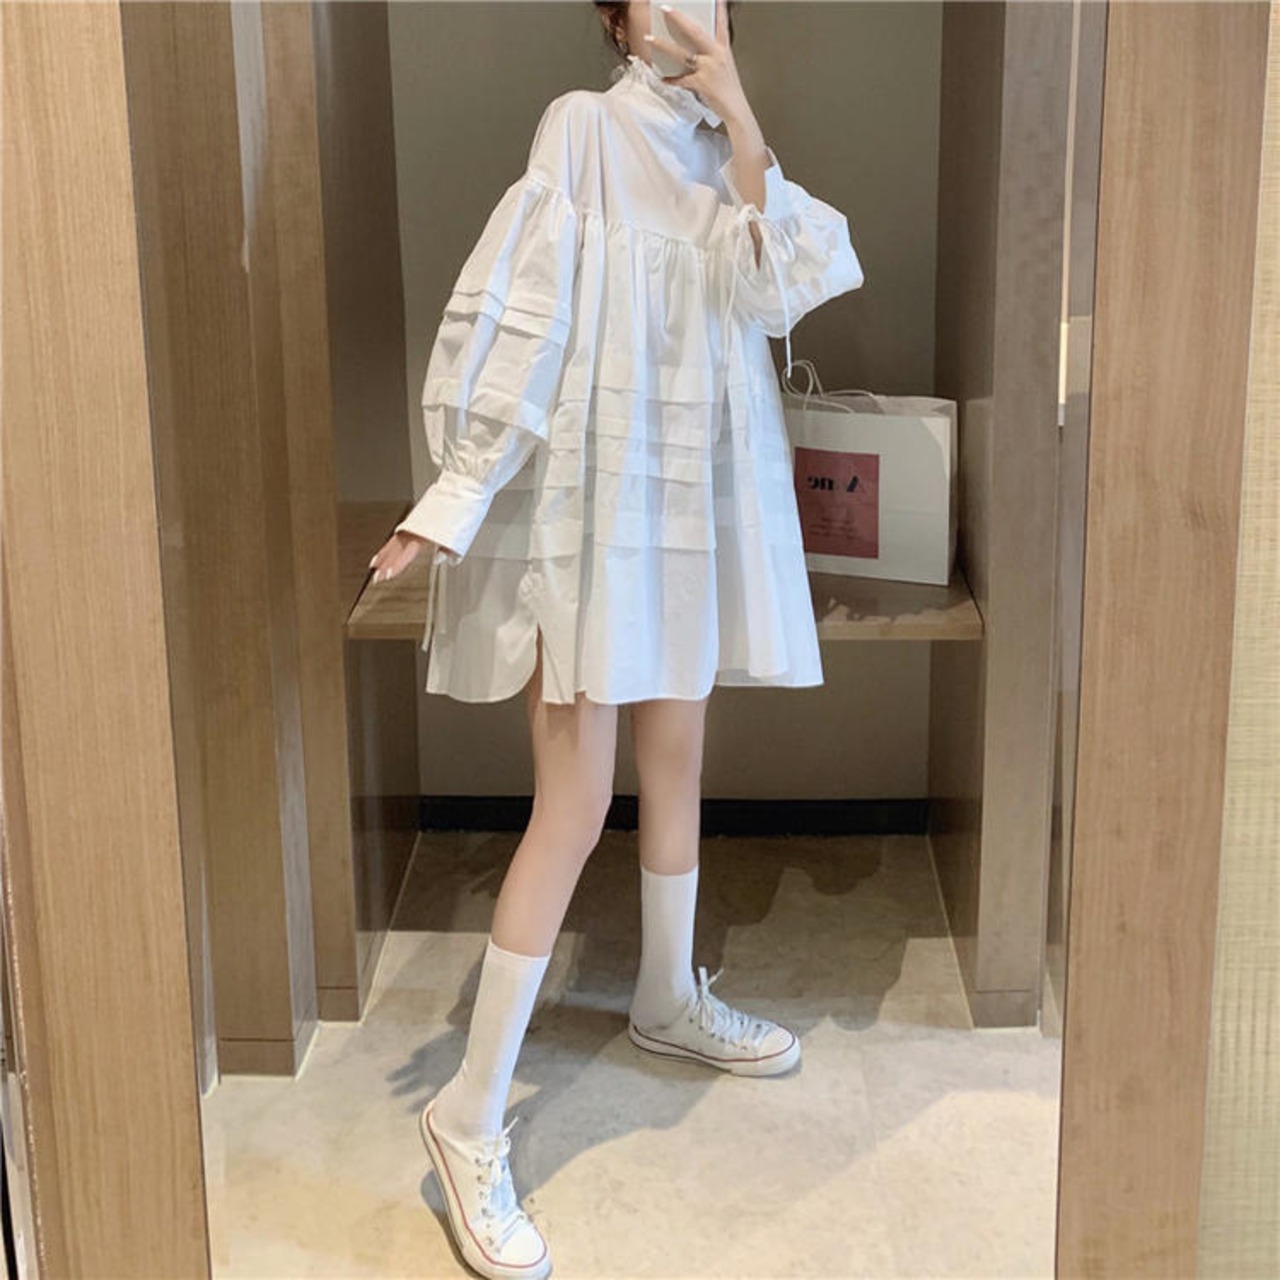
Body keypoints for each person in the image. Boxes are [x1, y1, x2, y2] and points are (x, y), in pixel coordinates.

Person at [367, 3, 864, 1276]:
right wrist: (455, 494)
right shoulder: (582, 129)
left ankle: (664, 994)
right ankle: (466, 1112)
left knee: (678, 755)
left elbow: (783, 289)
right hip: (592, 520)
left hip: (687, 509)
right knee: (575, 799)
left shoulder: (725, 156)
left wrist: (741, 117)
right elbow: (524, 317)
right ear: (615, 16)